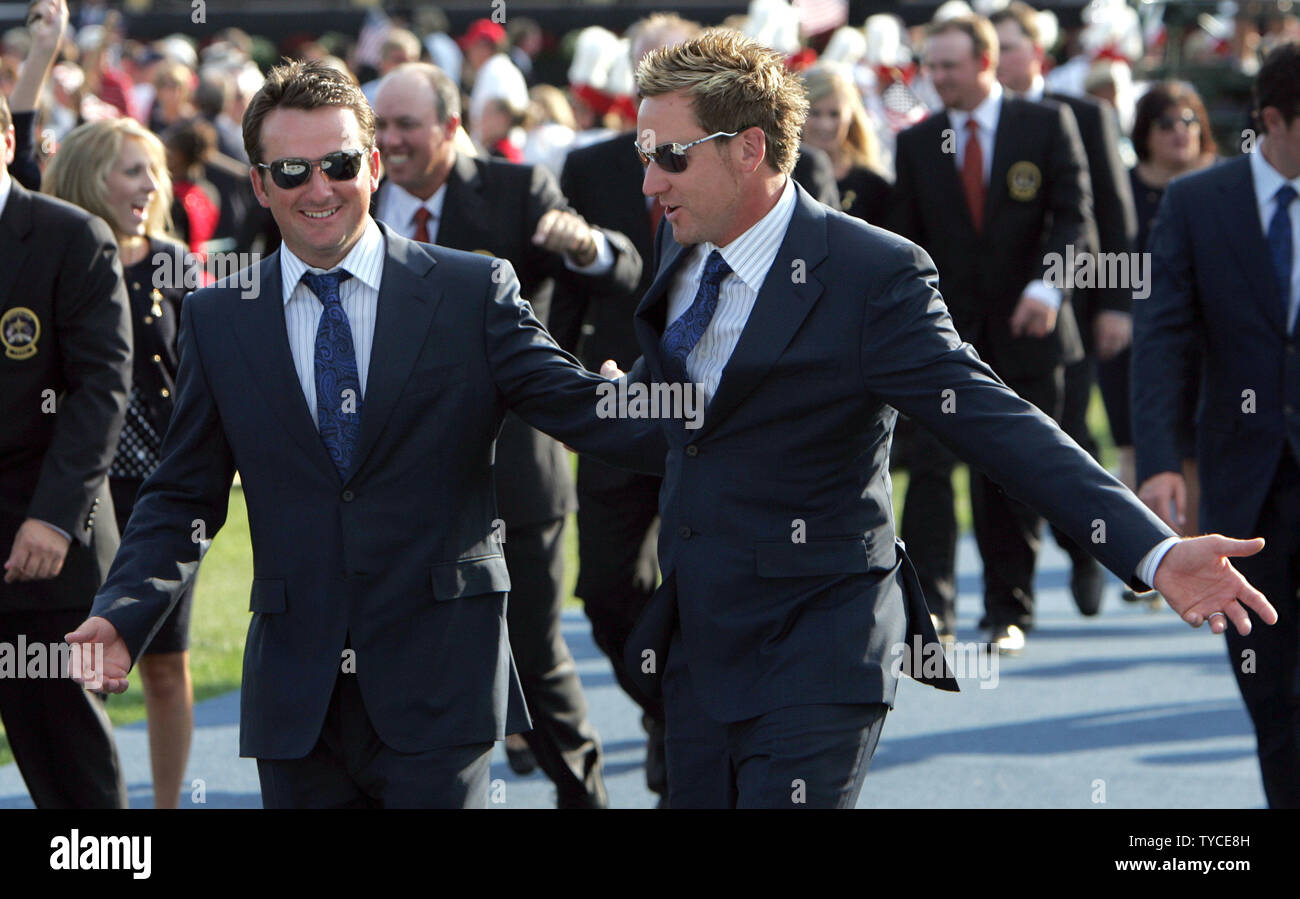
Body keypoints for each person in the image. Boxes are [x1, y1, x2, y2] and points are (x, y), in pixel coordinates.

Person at [619, 28, 1273, 810]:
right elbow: (675, 419)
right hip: (697, 644)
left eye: (671, 156)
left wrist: (1154, 551)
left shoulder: (871, 275)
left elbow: (1000, 422)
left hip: (818, 646)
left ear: (749, 148)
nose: (651, 183)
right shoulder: (681, 243)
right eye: (644, 154)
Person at [67, 59, 663, 809]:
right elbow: (184, 493)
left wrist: (657, 398)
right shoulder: (222, 318)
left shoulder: (470, 291)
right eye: (291, 171)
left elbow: (584, 409)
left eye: (340, 164)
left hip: (440, 683)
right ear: (258, 184)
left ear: (374, 166)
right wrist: (122, 611)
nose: (319, 190)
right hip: (298, 699)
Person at [372, 61, 643, 808]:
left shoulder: (520, 192)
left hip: (512, 471)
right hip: (392, 482)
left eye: (406, 126)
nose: (389, 141)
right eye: (381, 126)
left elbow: (621, 273)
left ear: (452, 127)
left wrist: (585, 245)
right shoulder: (348, 200)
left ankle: (581, 794)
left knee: (531, 648)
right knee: (400, 657)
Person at [889, 14, 1093, 653]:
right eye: (932, 66)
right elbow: (905, 241)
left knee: (1012, 473)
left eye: (949, 65)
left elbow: (1076, 218)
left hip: (1026, 332)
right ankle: (935, 613)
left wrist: (1047, 289)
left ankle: (1009, 609)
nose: (938, 77)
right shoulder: (919, 143)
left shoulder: (1045, 124)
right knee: (928, 473)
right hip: (942, 341)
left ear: (985, 62)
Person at [1133, 42, 1300, 808]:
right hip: (1246, 486)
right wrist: (1160, 457)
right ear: (1272, 120)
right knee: (1268, 684)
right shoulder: (1200, 203)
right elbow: (1163, 335)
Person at [42, 117, 200, 809]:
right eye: (131, 169)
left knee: (166, 667)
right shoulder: (54, 257)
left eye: (154, 171)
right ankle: (101, 811)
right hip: (78, 497)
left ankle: (164, 809)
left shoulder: (178, 265)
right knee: (79, 667)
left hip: (163, 498)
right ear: (88, 176)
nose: (149, 185)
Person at [0, 91, 131, 809]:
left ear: (6, 143)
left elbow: (101, 390)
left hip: (47, 549)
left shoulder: (71, 237)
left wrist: (53, 516)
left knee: (68, 766)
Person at [992, 1, 1139, 617]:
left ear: (1038, 51)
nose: (1000, 58)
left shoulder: (1083, 115)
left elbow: (1110, 214)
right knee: (1000, 453)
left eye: (1010, 45)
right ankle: (1011, 599)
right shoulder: (953, 125)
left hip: (1070, 320)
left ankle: (1084, 551)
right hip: (990, 321)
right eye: (991, 46)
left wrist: (1117, 305)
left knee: (1068, 441)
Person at [1101, 81, 1216, 562]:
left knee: (1192, 447)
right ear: (1145, 132)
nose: (1179, 133)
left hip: (1207, 340)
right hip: (1133, 337)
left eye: (1189, 121)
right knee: (1135, 444)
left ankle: (1187, 551)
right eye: (1166, 123)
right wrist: (1119, 310)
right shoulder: (1123, 189)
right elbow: (1105, 255)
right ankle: (1141, 552)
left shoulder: (1224, 185)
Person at [800, 64, 892, 225]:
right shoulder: (777, 177)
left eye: (834, 114)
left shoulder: (874, 186)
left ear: (851, 118)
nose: (825, 125)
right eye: (814, 113)